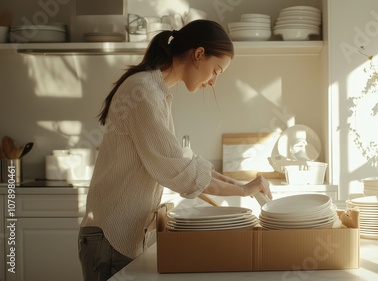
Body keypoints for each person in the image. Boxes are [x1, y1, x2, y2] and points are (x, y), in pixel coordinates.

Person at [78, 19, 272, 281]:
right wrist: (243, 190)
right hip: (112, 236)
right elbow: (178, 171)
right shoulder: (143, 90)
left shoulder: (156, 91)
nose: (214, 81)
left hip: (120, 236)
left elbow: (184, 160)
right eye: (216, 70)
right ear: (199, 54)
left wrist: (241, 184)